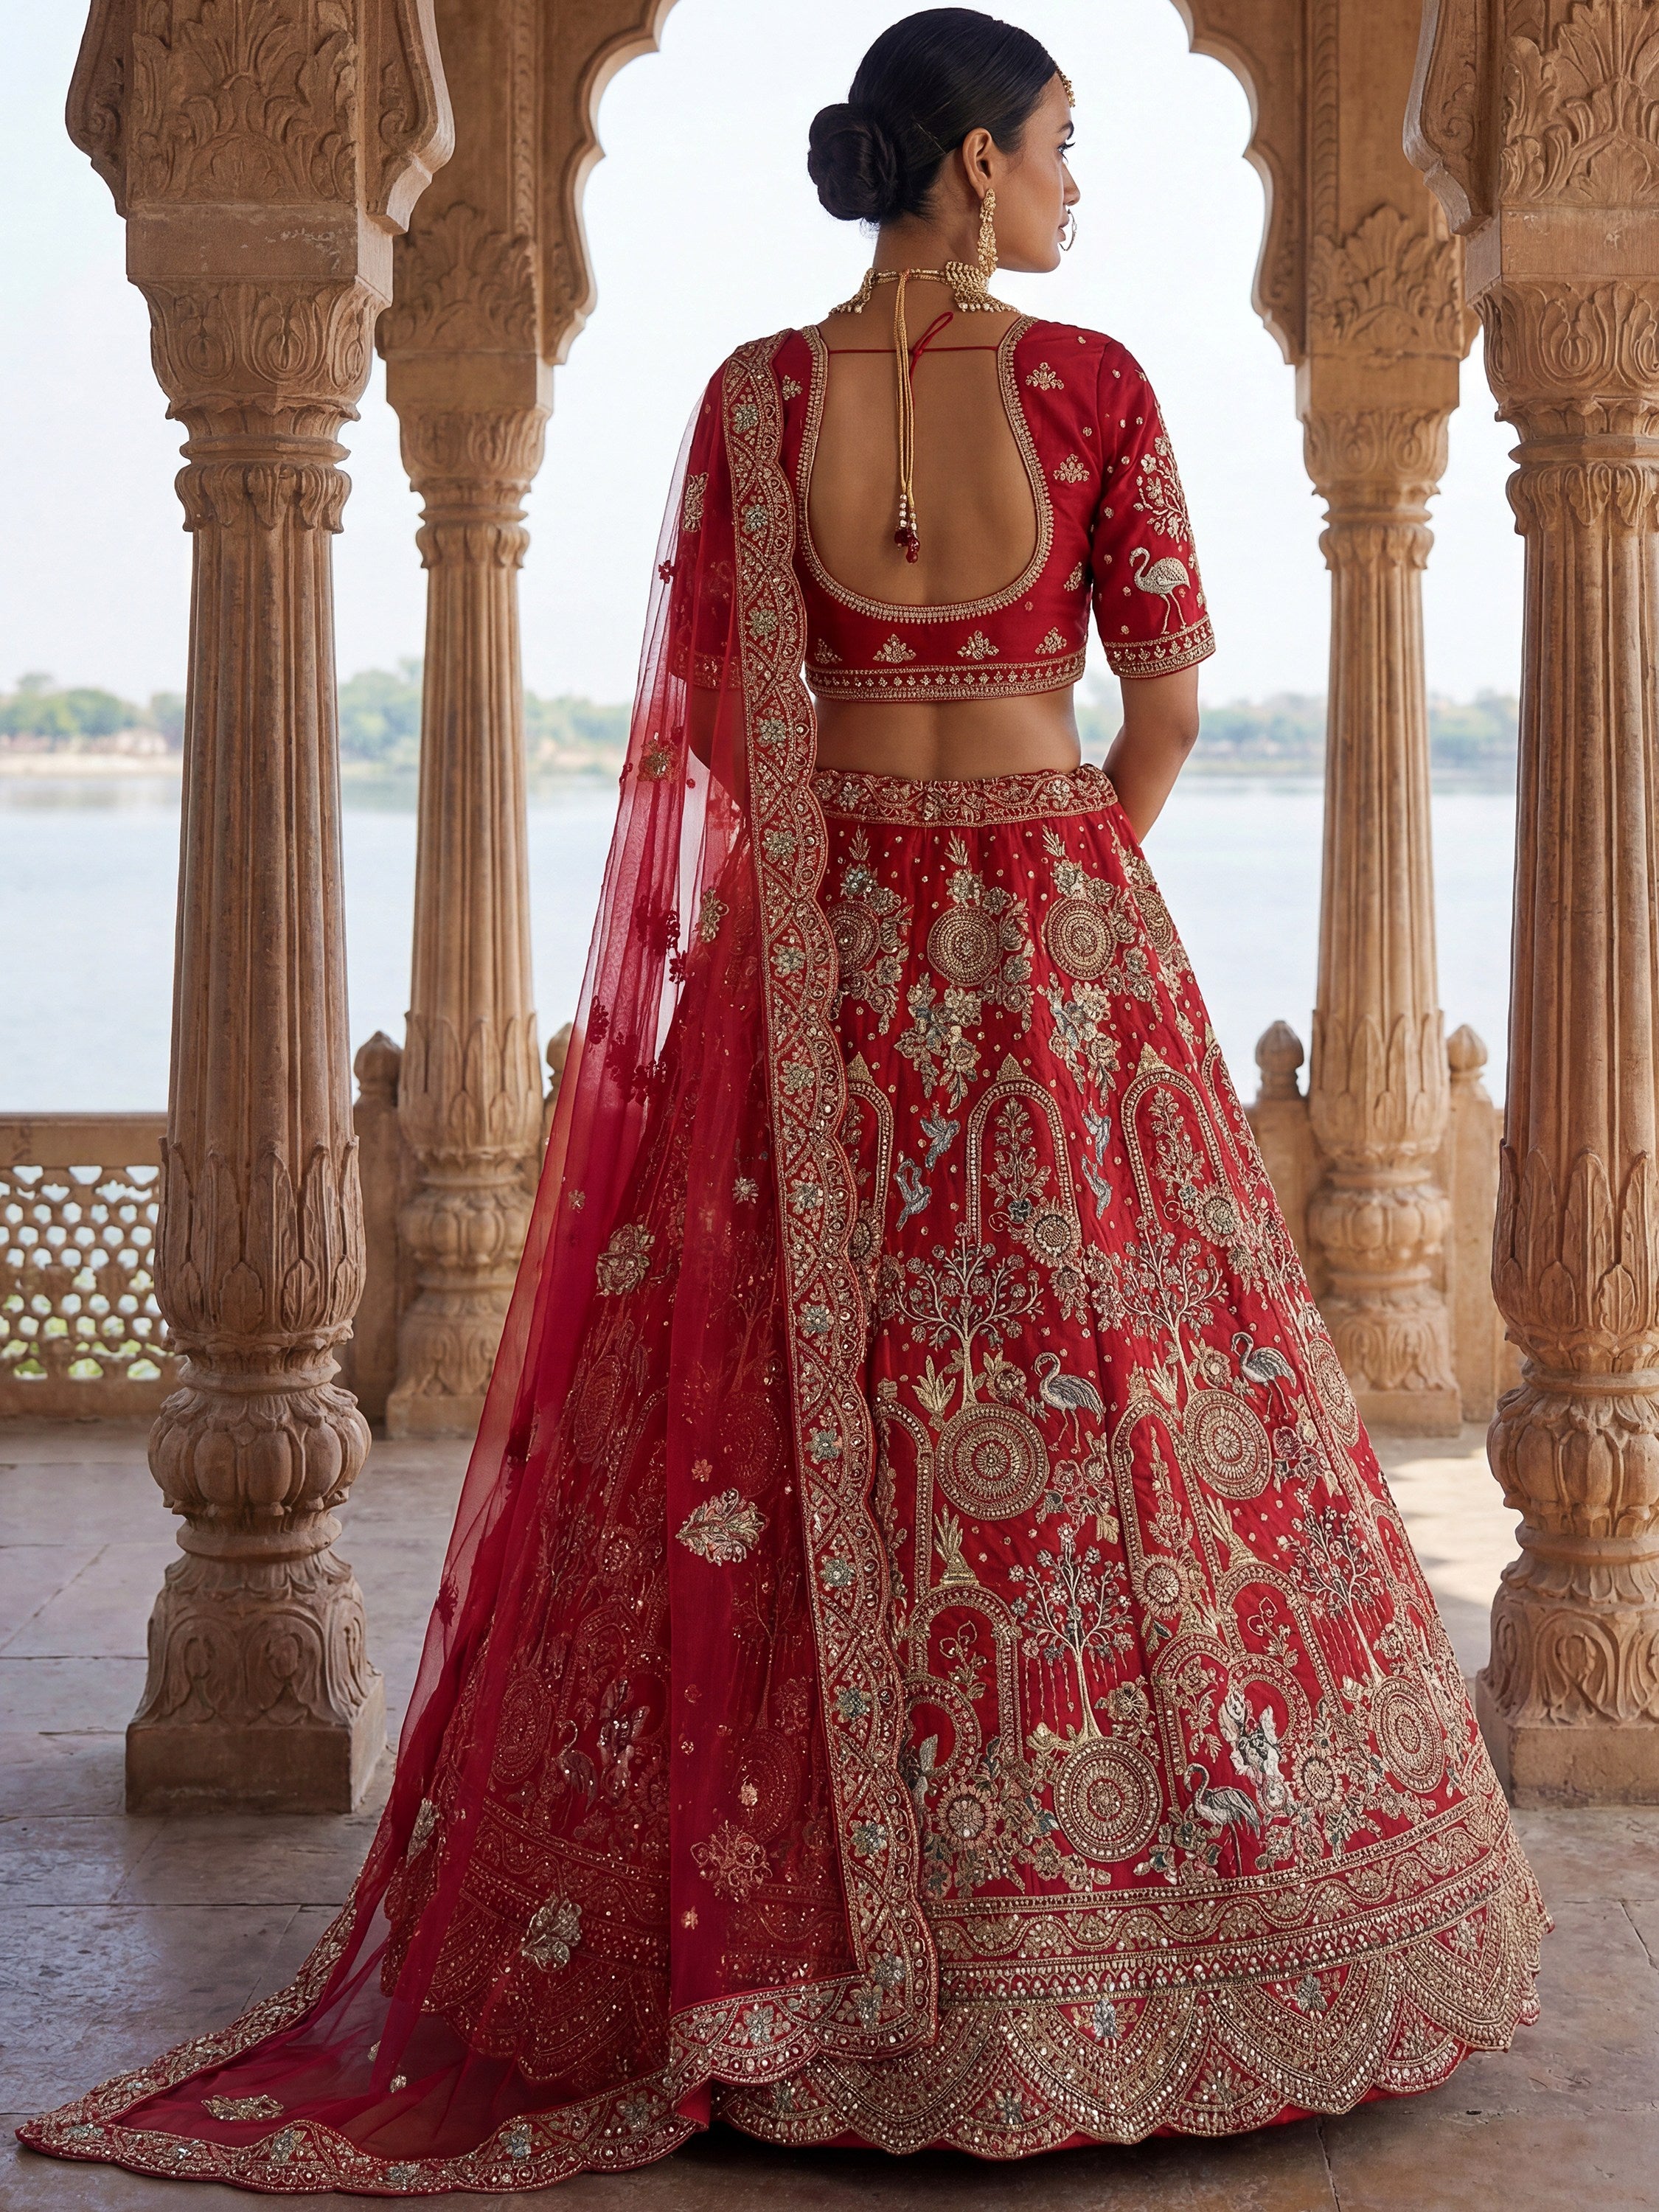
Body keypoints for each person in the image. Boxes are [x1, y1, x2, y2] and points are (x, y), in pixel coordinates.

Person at [21, 10, 1545, 2193]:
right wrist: (1056, 873)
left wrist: (856, 881)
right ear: (968, 170)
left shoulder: (754, 400)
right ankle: (1101, 1941)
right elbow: (1173, 696)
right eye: (1056, 148)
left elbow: (727, 741)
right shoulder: (1089, 384)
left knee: (806, 1400)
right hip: (1044, 944)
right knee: (1097, 1399)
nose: (1073, 187)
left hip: (817, 957)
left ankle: (808, 1935)